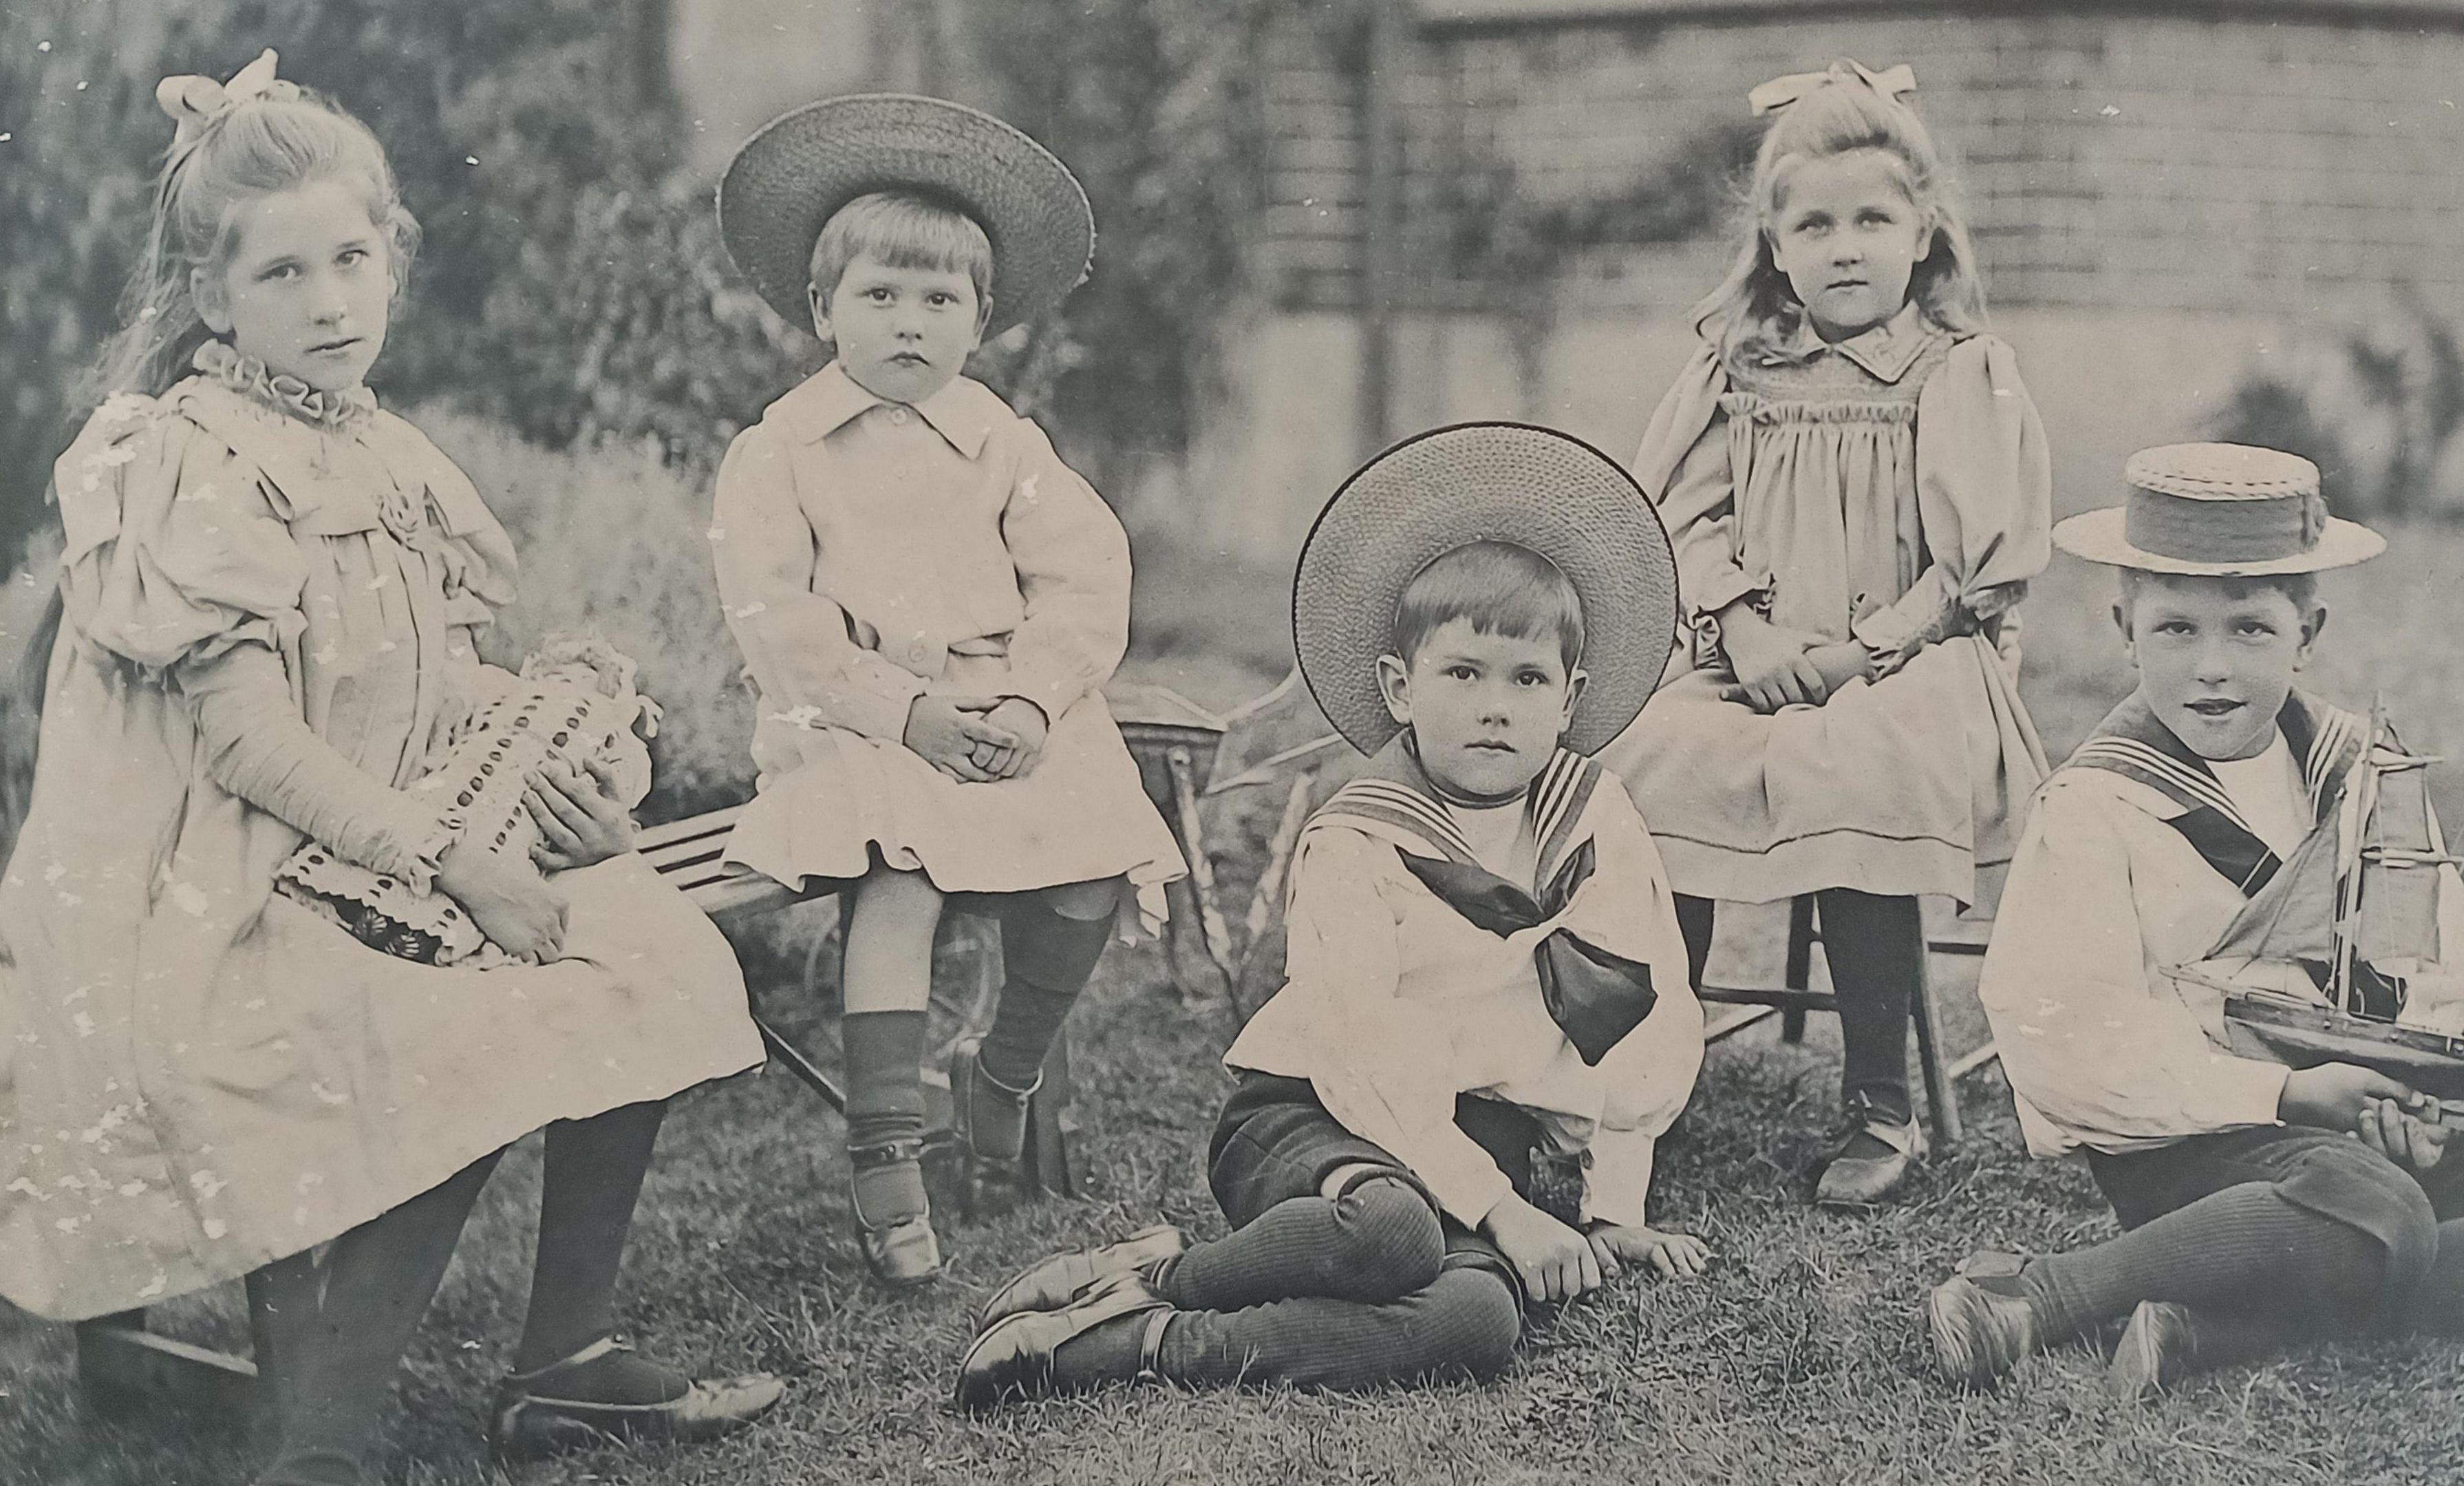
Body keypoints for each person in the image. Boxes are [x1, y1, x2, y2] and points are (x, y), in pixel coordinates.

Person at [0, 53, 780, 1485]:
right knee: (467, 1038)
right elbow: (250, 742)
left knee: (652, 947)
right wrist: (456, 863)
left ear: (392, 256)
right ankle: (326, 1447)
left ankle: (568, 1362)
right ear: (213, 297)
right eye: (284, 274)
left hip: (369, 851)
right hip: (212, 900)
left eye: (352, 257)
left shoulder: (384, 454)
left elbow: (410, 686)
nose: (331, 301)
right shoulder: (190, 463)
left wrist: (559, 742)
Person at [954, 423, 1711, 1410]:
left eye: (1528, 681)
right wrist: (1505, 1212)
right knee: (1394, 1232)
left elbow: (1634, 1007)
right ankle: (1150, 1277)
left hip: (1475, 1136)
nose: (1496, 708)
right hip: (1314, 1115)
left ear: (1569, 700)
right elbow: (1363, 1059)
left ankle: (1145, 1337)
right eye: (1463, 674)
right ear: (1401, 689)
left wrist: (1613, 1211)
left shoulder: (1593, 818)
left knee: (1479, 1322)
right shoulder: (1359, 837)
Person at [1929, 442, 2464, 1398]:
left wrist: (2417, 1098)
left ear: (2308, 630)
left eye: (2252, 631)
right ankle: (2038, 1298)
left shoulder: (2356, 767)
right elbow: (2067, 1039)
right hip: (2191, 1143)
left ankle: (2212, 1328)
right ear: (2123, 629)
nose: (2213, 668)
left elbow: (2438, 955)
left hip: (2355, 1127)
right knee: (2374, 1210)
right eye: (2176, 628)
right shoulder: (2098, 804)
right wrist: (2288, 1099)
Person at [709, 95, 1186, 1286]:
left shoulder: (1003, 444)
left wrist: (1029, 700)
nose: (909, 325)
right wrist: (906, 714)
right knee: (903, 872)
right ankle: (886, 1152)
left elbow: (1085, 576)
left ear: (982, 321)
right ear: (823, 311)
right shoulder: (783, 450)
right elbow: (779, 619)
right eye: (879, 297)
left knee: (1096, 853)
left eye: (940, 301)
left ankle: (1006, 1067)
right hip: (859, 716)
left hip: (999, 707)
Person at [1599, 60, 2052, 1205]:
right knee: (1648, 757)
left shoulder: (1958, 375)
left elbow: (1973, 564)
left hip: (1913, 660)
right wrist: (1743, 630)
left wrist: (1865, 652)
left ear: (1923, 234)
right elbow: (1682, 518)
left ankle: (1879, 1102)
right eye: (1816, 224)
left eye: (1872, 219)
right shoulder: (1740, 372)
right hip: (1752, 654)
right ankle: (1652, 1070)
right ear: (1775, 244)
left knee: (1865, 765)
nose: (1845, 246)